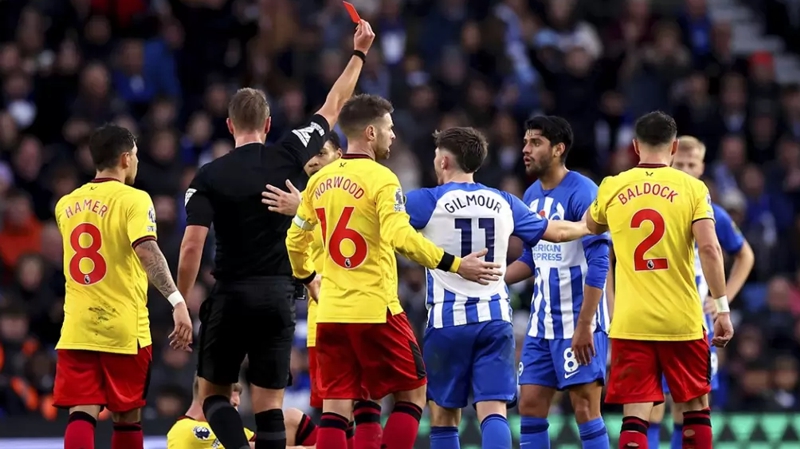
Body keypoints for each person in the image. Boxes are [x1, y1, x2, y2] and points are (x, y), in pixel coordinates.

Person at [176, 21, 375, 449]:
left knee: (213, 399)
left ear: (230, 126)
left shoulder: (208, 176)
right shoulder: (288, 153)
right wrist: (358, 52)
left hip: (230, 296)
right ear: (267, 124)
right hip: (278, 298)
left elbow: (192, 244)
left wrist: (179, 300)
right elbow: (335, 103)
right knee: (269, 409)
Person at [285, 94, 502, 449]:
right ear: (370, 132)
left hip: (330, 313)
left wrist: (309, 278)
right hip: (375, 309)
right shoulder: (382, 179)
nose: (393, 136)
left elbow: (295, 239)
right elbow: (400, 236)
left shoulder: (317, 183)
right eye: (388, 128)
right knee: (413, 394)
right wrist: (456, 263)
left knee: (336, 408)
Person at [401, 127, 591, 449]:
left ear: (445, 161)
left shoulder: (426, 201)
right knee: (494, 411)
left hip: (448, 322)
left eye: (436, 155)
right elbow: (556, 232)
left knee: (445, 416)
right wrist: (590, 224)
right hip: (495, 319)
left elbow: (376, 218)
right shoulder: (504, 201)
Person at [584, 111, 735, 449]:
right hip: (681, 318)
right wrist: (722, 308)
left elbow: (590, 227)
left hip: (629, 320)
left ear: (635, 147)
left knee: (636, 413)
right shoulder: (693, 188)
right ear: (674, 147)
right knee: (695, 408)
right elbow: (710, 248)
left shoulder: (612, 185)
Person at [53, 124, 193, 449]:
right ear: (126, 158)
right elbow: (148, 251)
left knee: (81, 413)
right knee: (127, 416)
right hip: (123, 328)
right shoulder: (134, 199)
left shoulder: (65, 205)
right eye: (137, 156)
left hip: (77, 326)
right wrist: (177, 300)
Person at [263, 133, 384, 449]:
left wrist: (301, 209)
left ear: (340, 153)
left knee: (358, 407)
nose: (314, 160)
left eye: (321, 152)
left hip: (355, 310)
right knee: (338, 412)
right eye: (309, 155)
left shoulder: (347, 193)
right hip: (325, 319)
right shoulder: (305, 200)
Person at [503, 116, 611, 449]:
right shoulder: (532, 194)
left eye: (535, 142)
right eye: (524, 142)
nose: (526, 149)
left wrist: (584, 325)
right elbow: (531, 260)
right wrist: (490, 279)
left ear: (558, 149)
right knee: (530, 404)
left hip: (579, 323)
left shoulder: (584, 191)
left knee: (584, 408)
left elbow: (600, 262)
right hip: (541, 325)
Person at [646, 136, 754, 449]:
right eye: (679, 164)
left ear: (702, 168)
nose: (684, 170)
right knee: (652, 405)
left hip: (695, 322)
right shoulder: (651, 206)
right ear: (669, 162)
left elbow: (745, 255)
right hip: (654, 318)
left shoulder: (711, 211)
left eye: (691, 165)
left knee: (690, 405)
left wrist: (722, 299)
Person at [167, 378, 318, 449]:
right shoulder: (186, 430)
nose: (234, 413)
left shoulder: (232, 429)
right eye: (230, 405)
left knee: (292, 418)